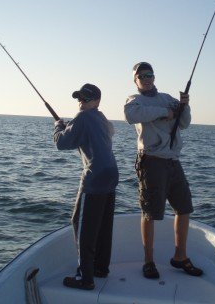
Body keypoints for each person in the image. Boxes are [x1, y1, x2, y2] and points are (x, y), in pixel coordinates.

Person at [124, 62, 203, 279]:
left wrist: (184, 106)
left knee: (184, 208)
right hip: (151, 161)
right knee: (150, 213)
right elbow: (131, 115)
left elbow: (184, 123)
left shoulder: (168, 97)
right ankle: (148, 261)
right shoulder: (134, 101)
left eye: (149, 74)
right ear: (135, 80)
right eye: (142, 76)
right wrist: (164, 113)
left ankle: (180, 256)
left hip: (173, 161)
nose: (146, 78)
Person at [54, 83, 118, 290]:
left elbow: (61, 143)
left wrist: (58, 126)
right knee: (103, 225)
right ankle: (101, 268)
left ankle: (85, 278)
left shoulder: (82, 117)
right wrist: (69, 128)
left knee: (82, 226)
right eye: (80, 98)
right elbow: (90, 135)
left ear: (97, 100)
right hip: (111, 175)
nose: (81, 101)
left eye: (86, 98)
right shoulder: (102, 118)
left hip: (95, 177)